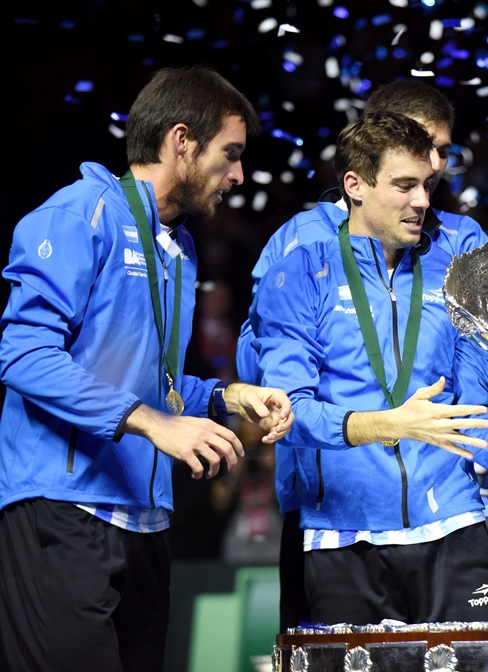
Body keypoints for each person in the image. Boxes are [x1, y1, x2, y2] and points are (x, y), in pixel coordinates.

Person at [248, 110, 488, 626]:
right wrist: (387, 424)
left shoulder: (452, 274)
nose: (422, 201)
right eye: (405, 185)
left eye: (426, 185)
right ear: (355, 186)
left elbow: (471, 413)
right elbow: (287, 413)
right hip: (345, 539)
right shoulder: (301, 272)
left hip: (454, 530)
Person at [0, 66, 294, 672]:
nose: (238, 175)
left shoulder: (178, 247)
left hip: (145, 520)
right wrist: (152, 423)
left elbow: (150, 384)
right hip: (65, 509)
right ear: (181, 141)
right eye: (230, 154)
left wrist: (227, 397)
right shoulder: (80, 214)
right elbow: (24, 354)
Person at [236, 80, 488, 631]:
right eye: (417, 153)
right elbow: (259, 370)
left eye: (441, 156)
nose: (432, 169)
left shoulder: (458, 241)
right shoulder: (300, 245)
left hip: (444, 509)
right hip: (330, 509)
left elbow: (484, 364)